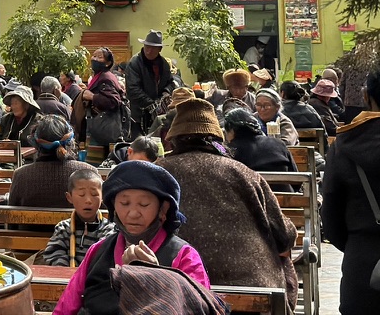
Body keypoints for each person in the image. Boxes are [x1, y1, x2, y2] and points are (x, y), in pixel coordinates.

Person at [159, 99, 298, 311]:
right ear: (217, 138)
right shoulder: (241, 172)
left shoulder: (158, 172)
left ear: (173, 139)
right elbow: (284, 235)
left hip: (175, 287)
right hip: (254, 285)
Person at [52, 161, 211, 315]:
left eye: (144, 204)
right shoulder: (98, 251)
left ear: (163, 209)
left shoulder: (183, 256)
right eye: (124, 203)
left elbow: (200, 308)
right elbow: (65, 308)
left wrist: (158, 279)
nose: (133, 213)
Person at [322, 69, 380, 315]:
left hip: (364, 260)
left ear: (366, 97)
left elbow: (331, 214)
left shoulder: (346, 144)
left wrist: (357, 244)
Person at [10, 115, 94, 208]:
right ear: (71, 142)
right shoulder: (89, 172)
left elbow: (10, 214)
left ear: (36, 144)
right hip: (75, 223)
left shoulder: (21, 175)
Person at [42, 168, 114, 268]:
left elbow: (105, 258)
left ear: (102, 197)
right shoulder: (63, 228)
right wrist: (70, 274)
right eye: (81, 195)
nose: (88, 200)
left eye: (94, 194)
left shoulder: (109, 229)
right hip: (67, 280)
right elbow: (54, 255)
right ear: (69, 197)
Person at [80, 47, 126, 164]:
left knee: (95, 164)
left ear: (108, 63)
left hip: (102, 127)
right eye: (94, 56)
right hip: (101, 126)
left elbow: (113, 101)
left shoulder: (105, 77)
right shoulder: (101, 75)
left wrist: (92, 97)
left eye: (100, 57)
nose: (95, 59)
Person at [125, 30, 174, 136]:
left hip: (158, 114)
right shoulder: (135, 63)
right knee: (139, 144)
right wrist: (151, 104)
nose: (149, 51)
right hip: (138, 114)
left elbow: (171, 82)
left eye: (153, 48)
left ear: (159, 49)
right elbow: (132, 89)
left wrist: (166, 92)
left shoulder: (163, 64)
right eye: (147, 47)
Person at [222, 108, 297, 175]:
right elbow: (296, 176)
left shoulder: (229, 150)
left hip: (252, 190)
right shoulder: (278, 143)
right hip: (285, 190)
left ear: (231, 130)